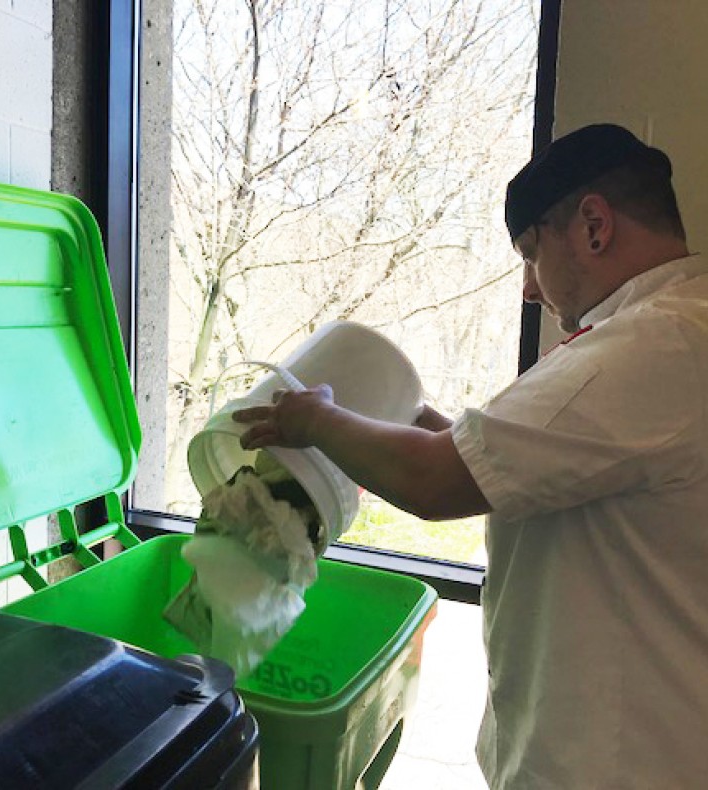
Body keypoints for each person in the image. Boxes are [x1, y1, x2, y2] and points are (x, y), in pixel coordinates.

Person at [233, 123, 708, 789]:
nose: (530, 288)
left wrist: (316, 420)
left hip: (619, 761)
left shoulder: (648, 348)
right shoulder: (674, 331)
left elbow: (437, 482)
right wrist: (395, 410)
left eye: (530, 253)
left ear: (593, 225)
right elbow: (505, 461)